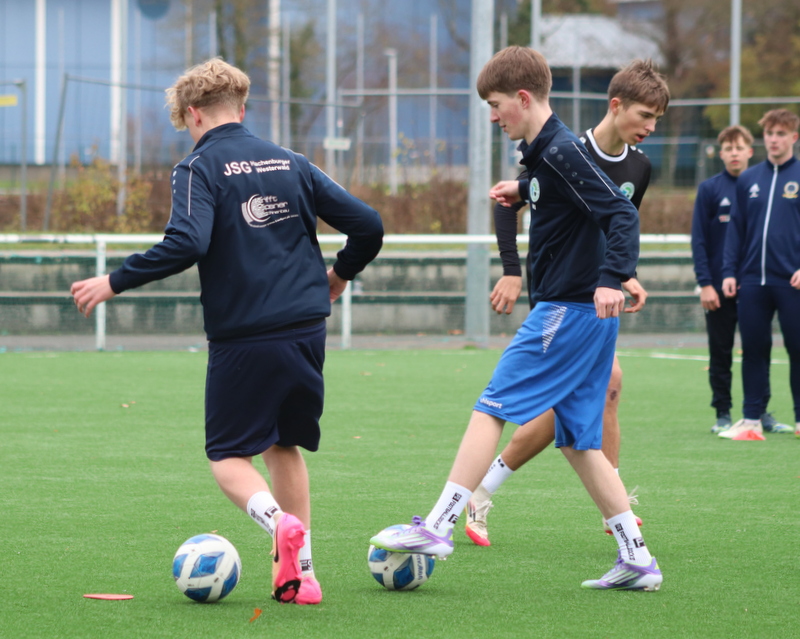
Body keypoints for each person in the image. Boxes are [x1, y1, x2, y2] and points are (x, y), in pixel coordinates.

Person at [70, 58, 384, 604]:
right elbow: (370, 225)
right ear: (241, 109)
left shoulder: (196, 167)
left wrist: (114, 281)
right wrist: (338, 276)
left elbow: (188, 242)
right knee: (283, 444)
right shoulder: (292, 161)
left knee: (227, 457)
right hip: (307, 328)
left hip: (246, 334)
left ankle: (278, 524)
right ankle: (304, 576)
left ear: (192, 114)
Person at [370, 46, 662, 591]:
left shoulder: (561, 151)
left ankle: (438, 525)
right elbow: (572, 201)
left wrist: (612, 276)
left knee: (492, 406)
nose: (493, 116)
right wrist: (526, 189)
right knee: (579, 442)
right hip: (585, 316)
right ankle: (638, 558)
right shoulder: (550, 154)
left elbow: (620, 213)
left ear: (523, 99)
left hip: (567, 310)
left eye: (496, 104)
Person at [467, 59, 669, 547]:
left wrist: (623, 274)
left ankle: (607, 509)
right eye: (644, 115)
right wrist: (512, 271)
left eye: (657, 119)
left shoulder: (639, 167)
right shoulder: (567, 149)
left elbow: (613, 223)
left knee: (591, 400)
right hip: (563, 299)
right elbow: (509, 202)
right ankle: (485, 491)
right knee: (580, 399)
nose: (650, 127)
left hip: (595, 299)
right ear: (615, 106)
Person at [691, 126, 790, 435]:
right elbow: (699, 240)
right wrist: (706, 283)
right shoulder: (710, 189)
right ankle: (722, 412)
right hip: (718, 287)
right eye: (728, 148)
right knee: (720, 351)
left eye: (740, 148)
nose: (734, 153)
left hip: (754, 285)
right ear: (720, 153)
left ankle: (760, 412)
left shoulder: (764, 184)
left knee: (758, 348)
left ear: (750, 151)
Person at [720, 108, 800, 440]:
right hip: (752, 280)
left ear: (794, 137)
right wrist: (729, 271)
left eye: (780, 134)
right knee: (753, 349)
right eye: (769, 133)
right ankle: (751, 421)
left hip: (792, 281)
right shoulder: (749, 179)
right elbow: (735, 229)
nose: (773, 139)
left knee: (798, 348)